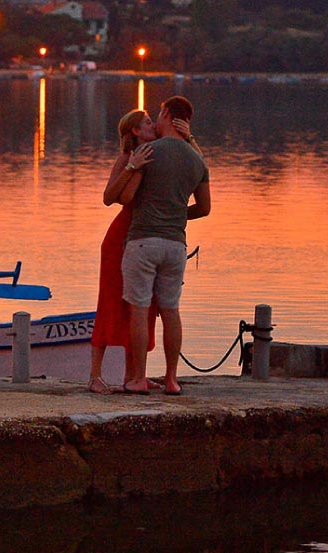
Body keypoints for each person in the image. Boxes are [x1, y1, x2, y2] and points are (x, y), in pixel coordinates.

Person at [89, 109, 202, 394]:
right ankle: (94, 376)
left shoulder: (156, 156)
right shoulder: (131, 158)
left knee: (142, 308)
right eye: (148, 122)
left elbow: (199, 166)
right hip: (122, 237)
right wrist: (131, 168)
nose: (154, 124)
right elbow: (109, 198)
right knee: (112, 303)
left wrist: (189, 138)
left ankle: (133, 374)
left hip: (146, 235)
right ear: (136, 131)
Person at [118, 96, 210, 396]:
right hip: (175, 244)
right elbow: (205, 208)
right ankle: (171, 379)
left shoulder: (149, 151)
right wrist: (175, 213)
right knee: (171, 309)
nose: (155, 120)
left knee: (140, 310)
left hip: (143, 240)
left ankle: (139, 378)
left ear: (168, 114)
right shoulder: (198, 160)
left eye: (158, 114)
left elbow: (127, 198)